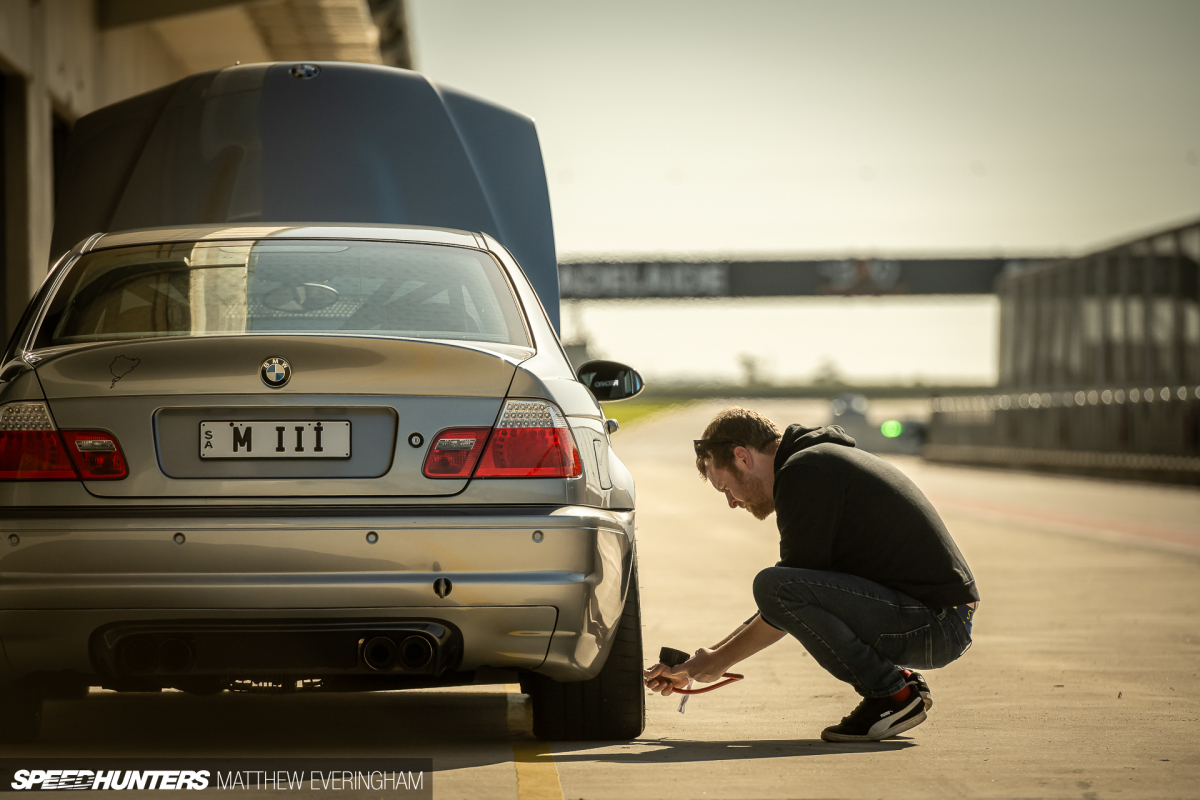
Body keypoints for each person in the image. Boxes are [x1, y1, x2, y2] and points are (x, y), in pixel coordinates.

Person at [643, 407, 979, 742]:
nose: (732, 502)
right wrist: (704, 659)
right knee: (779, 587)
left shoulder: (805, 472)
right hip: (938, 619)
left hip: (935, 626)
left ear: (742, 457)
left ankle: (893, 696)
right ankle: (896, 685)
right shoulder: (815, 462)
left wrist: (717, 661)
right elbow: (787, 602)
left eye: (726, 488)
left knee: (773, 585)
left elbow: (782, 596)